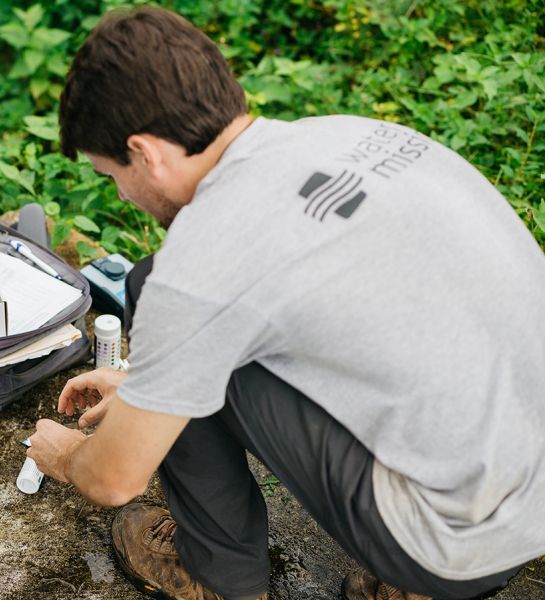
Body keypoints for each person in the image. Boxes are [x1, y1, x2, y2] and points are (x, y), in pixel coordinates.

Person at [27, 6, 545, 600]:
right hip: (533, 496)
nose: (120, 193)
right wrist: (154, 385)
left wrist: (69, 457)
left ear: (146, 153)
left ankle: (215, 576)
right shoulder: (347, 134)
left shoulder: (201, 263)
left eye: (108, 173)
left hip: (456, 548)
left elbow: (116, 479)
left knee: (148, 282)